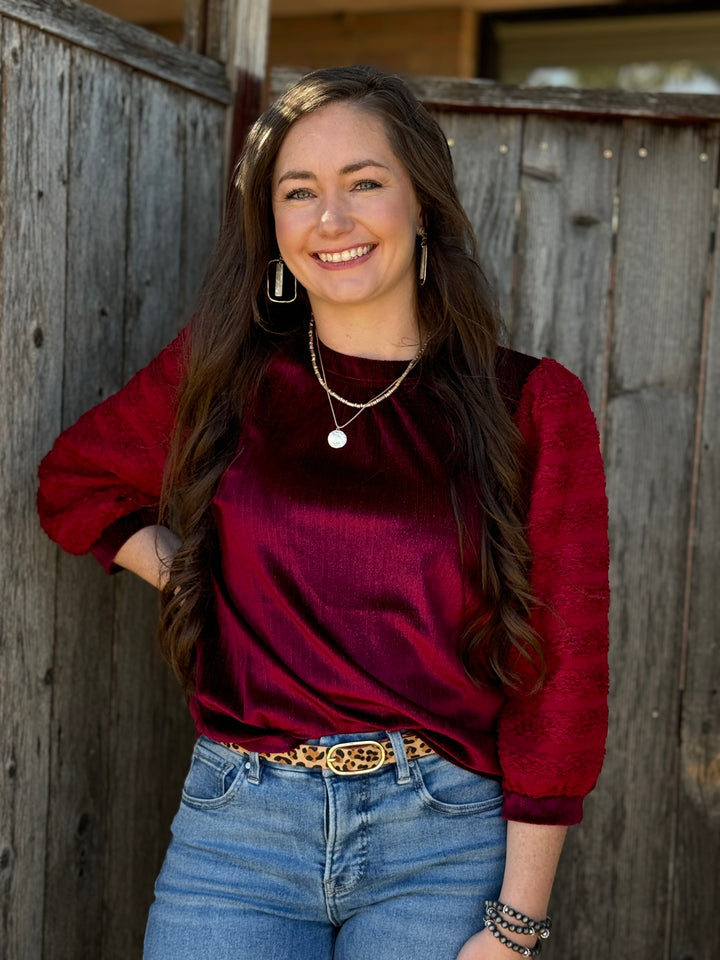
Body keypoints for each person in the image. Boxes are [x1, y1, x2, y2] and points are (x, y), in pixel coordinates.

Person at [37, 65, 609, 960]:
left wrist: (516, 925)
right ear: (272, 226)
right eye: (298, 192)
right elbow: (75, 486)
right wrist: (194, 573)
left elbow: (562, 676)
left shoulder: (530, 404)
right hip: (238, 833)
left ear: (424, 202)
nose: (331, 220)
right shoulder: (227, 374)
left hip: (443, 841)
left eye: (365, 183)